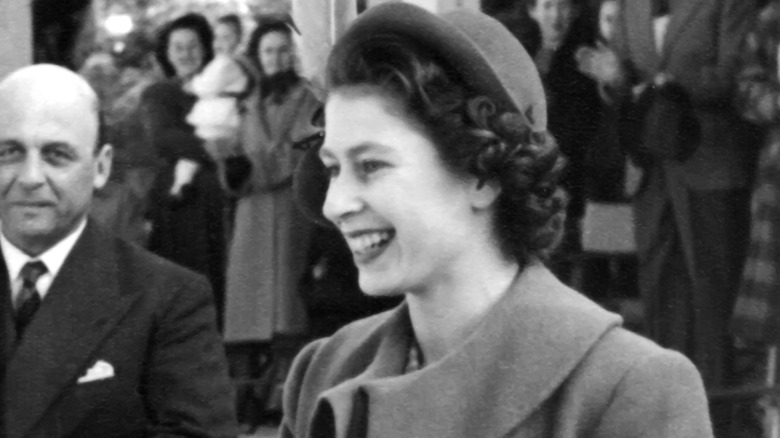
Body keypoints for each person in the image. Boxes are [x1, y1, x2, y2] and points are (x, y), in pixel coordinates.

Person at [281, 4, 712, 437]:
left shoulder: (626, 384)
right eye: (333, 168)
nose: (335, 204)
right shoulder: (324, 370)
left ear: (482, 175)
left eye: (371, 165)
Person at [0, 64, 237, 437]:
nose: (30, 177)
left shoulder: (169, 299)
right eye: (9, 152)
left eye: (56, 155)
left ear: (100, 167)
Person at [219, 17, 321, 426]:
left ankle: (284, 400)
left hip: (292, 211)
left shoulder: (311, 98)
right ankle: (247, 400)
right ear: (257, 57)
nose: (276, 58)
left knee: (287, 313)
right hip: (252, 217)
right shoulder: (246, 101)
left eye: (283, 50)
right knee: (249, 314)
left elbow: (302, 150)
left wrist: (247, 168)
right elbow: (230, 154)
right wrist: (231, 167)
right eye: (268, 51)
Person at [140, 13, 229, 329]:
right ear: (167, 53)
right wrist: (218, 149)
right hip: (180, 199)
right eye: (178, 47)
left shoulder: (223, 87)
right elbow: (164, 138)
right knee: (185, 273)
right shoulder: (159, 93)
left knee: (224, 270)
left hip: (224, 195)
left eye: (193, 45)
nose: (186, 53)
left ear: (206, 48)